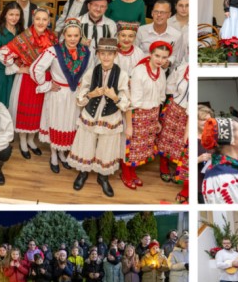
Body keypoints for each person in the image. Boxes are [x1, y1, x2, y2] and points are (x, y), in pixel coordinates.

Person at [32, 18, 93, 173]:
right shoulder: (54, 51)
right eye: (69, 35)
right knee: (56, 121)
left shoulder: (86, 52)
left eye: (76, 36)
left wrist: (83, 91)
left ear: (81, 36)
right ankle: (54, 154)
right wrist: (46, 85)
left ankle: (62, 152)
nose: (72, 39)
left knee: (70, 123)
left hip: (75, 96)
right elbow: (36, 69)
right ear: (63, 35)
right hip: (58, 94)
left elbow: (89, 75)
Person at [67, 37, 127, 196]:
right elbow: (80, 97)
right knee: (86, 142)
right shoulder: (92, 72)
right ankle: (83, 172)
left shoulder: (122, 74)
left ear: (115, 55)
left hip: (110, 117)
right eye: (103, 53)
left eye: (110, 54)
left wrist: (114, 97)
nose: (106, 57)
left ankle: (103, 176)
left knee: (107, 146)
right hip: (91, 115)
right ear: (98, 54)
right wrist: (92, 94)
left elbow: (126, 102)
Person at [0, 8, 58, 157]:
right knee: (25, 112)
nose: (41, 22)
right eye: (38, 19)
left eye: (44, 19)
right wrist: (18, 69)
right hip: (26, 80)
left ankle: (32, 140)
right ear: (33, 19)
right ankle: (23, 141)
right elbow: (2, 53)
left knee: (38, 112)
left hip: (44, 79)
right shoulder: (24, 37)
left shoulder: (52, 37)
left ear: (49, 21)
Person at [120, 42, 170, 190]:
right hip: (138, 113)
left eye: (164, 57)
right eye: (157, 55)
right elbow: (132, 101)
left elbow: (161, 96)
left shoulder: (161, 72)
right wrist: (129, 125)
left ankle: (133, 172)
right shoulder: (139, 71)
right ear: (150, 54)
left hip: (152, 114)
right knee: (130, 146)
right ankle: (125, 173)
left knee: (141, 148)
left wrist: (157, 119)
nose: (160, 60)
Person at [156, 63, 188, 200]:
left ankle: (177, 169)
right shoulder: (183, 67)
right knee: (166, 137)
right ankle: (163, 164)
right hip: (175, 107)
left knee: (182, 142)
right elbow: (170, 85)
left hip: (189, 114)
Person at [0, 2, 24, 107]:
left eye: (17, 15)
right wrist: (12, 67)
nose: (14, 18)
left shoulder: (20, 31)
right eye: (11, 14)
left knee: (14, 104)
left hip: (16, 74)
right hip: (2, 75)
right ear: (5, 15)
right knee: (1, 105)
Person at [136, 0, 182, 70]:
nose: (159, 15)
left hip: (162, 72)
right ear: (152, 13)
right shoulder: (141, 30)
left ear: (169, 15)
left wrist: (168, 62)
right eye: (156, 11)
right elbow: (135, 51)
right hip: (142, 68)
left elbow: (175, 55)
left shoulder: (176, 35)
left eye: (163, 12)